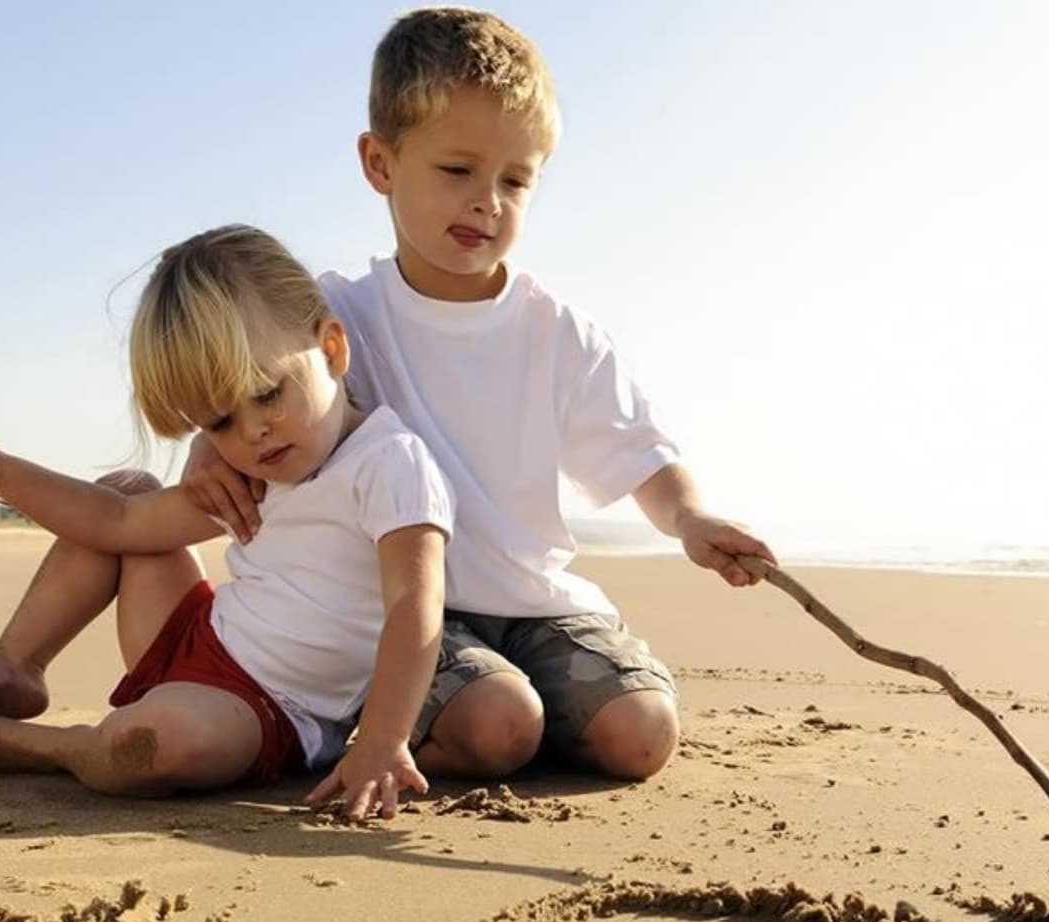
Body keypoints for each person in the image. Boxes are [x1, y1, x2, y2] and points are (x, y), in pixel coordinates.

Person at [183, 7, 776, 783]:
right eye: (458, 171)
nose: (487, 202)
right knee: (499, 727)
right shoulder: (335, 318)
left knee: (642, 733)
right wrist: (204, 447)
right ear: (380, 164)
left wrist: (692, 517)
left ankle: (534, 709)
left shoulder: (555, 331)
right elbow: (248, 387)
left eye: (515, 180)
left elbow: (643, 456)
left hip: (541, 604)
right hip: (405, 610)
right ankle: (418, 717)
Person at [0, 225, 452, 821]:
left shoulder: (389, 463)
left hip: (267, 713)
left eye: (268, 394)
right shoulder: (257, 468)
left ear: (331, 349)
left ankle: (45, 746)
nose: (252, 433)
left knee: (150, 744)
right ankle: (16, 664)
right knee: (126, 491)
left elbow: (413, 605)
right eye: (218, 423)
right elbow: (118, 523)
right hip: (192, 641)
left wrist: (382, 739)